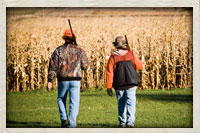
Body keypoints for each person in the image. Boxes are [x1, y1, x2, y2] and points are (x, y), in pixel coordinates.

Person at [46, 29, 89, 128]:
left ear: (65, 38)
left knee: (61, 99)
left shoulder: (58, 50)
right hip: (76, 80)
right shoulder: (80, 50)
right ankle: (72, 124)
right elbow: (85, 66)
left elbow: (53, 67)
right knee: (74, 102)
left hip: (63, 80)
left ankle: (64, 119)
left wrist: (49, 81)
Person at [106, 36, 143, 128]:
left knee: (121, 103)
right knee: (131, 102)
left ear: (116, 46)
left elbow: (109, 72)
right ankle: (130, 122)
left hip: (119, 84)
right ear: (125, 45)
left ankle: (122, 122)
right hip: (131, 83)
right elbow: (139, 66)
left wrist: (109, 86)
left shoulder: (113, 57)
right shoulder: (131, 54)